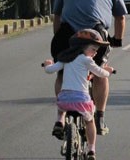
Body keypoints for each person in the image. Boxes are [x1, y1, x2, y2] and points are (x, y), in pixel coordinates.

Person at [51, 0, 127, 137]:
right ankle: (99, 118)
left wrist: (60, 37)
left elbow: (57, 15)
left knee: (62, 71)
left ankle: (61, 116)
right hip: (95, 34)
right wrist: (117, 40)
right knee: (100, 72)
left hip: (67, 34)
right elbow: (120, 17)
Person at [44, 29, 114, 160]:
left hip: (64, 100)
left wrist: (48, 64)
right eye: (93, 49)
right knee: (89, 121)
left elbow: (50, 70)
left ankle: (60, 121)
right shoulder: (87, 60)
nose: (95, 52)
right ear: (83, 48)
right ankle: (91, 149)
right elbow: (100, 73)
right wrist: (108, 71)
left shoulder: (65, 58)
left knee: (61, 104)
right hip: (81, 100)